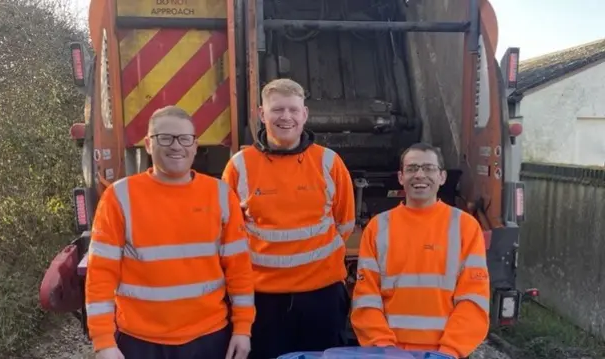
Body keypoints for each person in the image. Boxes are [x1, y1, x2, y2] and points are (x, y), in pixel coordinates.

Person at [84, 106, 255, 359]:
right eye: (164, 138)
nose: (176, 146)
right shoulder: (119, 197)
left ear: (195, 145)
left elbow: (239, 269)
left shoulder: (220, 195)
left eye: (185, 138)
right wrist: (104, 343)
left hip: (209, 339)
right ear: (148, 144)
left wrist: (243, 329)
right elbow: (100, 276)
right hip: (139, 343)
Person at [222, 78, 356, 359]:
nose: (286, 117)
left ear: (304, 114)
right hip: (263, 298)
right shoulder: (240, 166)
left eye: (294, 110)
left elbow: (344, 223)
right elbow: (229, 232)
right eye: (278, 110)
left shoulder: (329, 162)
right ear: (262, 114)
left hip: (322, 296)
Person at [350, 142, 490, 359]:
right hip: (390, 353)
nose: (420, 175)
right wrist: (384, 348)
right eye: (412, 168)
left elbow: (473, 299)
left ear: (442, 177)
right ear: (400, 177)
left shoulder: (465, 227)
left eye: (428, 168)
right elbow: (366, 299)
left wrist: (450, 351)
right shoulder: (378, 228)